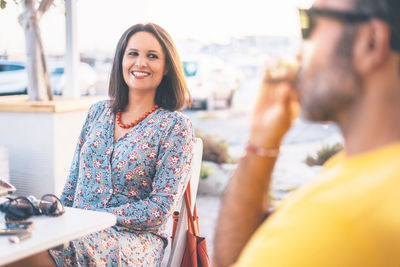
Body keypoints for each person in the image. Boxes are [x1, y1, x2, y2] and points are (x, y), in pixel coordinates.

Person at [214, 0, 400, 266]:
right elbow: (244, 255)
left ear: (370, 42)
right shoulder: (369, 172)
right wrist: (262, 143)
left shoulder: (333, 221)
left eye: (309, 24)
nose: (299, 52)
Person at [7, 23, 194, 267]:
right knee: (18, 238)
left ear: (167, 66)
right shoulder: (98, 112)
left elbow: (160, 208)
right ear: (120, 60)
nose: (140, 63)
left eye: (152, 56)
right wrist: (56, 217)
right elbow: (72, 185)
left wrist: (96, 219)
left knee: (32, 252)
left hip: (134, 239)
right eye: (133, 54)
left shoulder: (174, 126)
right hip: (77, 226)